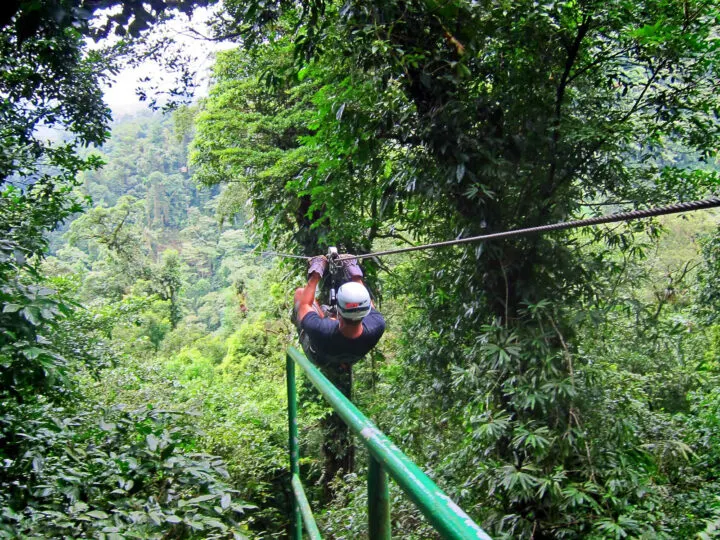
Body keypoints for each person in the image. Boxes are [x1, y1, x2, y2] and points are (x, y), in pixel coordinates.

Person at [293, 254, 385, 368]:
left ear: (338, 312)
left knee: (300, 293)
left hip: (317, 356)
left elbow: (304, 304)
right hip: (351, 355)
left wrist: (315, 273)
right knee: (328, 324)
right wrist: (354, 272)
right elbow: (365, 302)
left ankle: (320, 318)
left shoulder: (318, 328)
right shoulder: (377, 325)